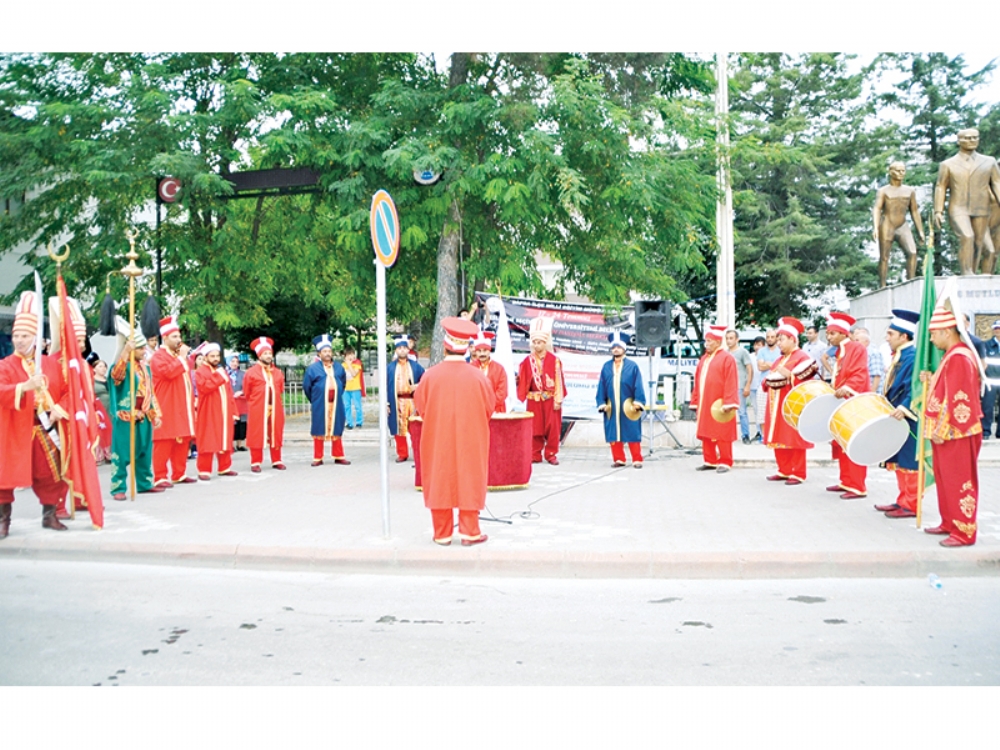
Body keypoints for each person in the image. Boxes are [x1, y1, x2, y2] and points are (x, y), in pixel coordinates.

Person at [414, 317, 494, 546]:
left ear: (445, 346)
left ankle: (442, 533)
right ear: (467, 349)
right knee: (470, 477)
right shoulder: (479, 377)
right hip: (471, 438)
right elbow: (490, 408)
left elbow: (421, 407)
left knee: (440, 477)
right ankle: (470, 532)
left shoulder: (429, 376)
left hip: (437, 438)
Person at [0, 291, 71, 537]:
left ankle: (49, 515)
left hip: (44, 427)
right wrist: (25, 387)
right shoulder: (6, 365)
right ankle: (3, 521)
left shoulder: (50, 364)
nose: (19, 340)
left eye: (25, 336)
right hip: (14, 428)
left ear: (36, 337)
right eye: (16, 336)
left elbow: (68, 391)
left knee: (50, 474)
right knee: (4, 476)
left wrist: (59, 409)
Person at [921, 306, 984, 546]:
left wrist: (942, 428)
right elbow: (946, 386)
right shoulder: (954, 354)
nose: (931, 339)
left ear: (947, 332)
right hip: (948, 431)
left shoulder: (959, 356)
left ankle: (964, 531)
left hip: (956, 431)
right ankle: (949, 522)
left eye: (933, 334)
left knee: (959, 480)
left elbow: (958, 397)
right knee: (946, 479)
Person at [873, 310, 921, 518]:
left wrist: (905, 407)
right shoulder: (901, 356)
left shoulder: (914, 357)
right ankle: (902, 499)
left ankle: (911, 504)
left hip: (908, 416)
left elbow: (917, 386)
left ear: (904, 336)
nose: (887, 338)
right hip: (895, 414)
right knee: (900, 461)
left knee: (909, 461)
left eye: (891, 334)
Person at [933, 128, 1000, 274]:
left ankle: (973, 276)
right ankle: (967, 273)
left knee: (978, 243)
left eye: (975, 137)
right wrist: (938, 211)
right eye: (968, 138)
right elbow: (941, 186)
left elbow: (996, 183)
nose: (972, 140)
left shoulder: (989, 162)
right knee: (967, 236)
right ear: (959, 141)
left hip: (981, 208)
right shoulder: (948, 164)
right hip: (958, 208)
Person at [108, 319, 162, 501]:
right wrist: (125, 351)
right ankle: (118, 487)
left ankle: (145, 483)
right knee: (122, 453)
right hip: (126, 415)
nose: (143, 351)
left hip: (144, 413)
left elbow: (150, 391)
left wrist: (155, 413)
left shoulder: (145, 368)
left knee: (144, 451)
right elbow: (116, 376)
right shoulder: (123, 365)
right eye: (139, 348)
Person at [762, 317, 818, 484]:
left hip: (792, 404)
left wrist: (789, 375)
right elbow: (768, 377)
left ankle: (798, 472)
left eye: (782, 339)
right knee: (780, 437)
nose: (779, 343)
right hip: (775, 404)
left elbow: (807, 380)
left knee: (794, 438)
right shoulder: (779, 359)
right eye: (778, 339)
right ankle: (784, 470)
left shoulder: (802, 357)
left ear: (793, 340)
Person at [825, 311, 870, 499]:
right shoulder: (840, 351)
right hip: (842, 401)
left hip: (853, 401)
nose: (828, 337)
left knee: (853, 442)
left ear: (844, 333)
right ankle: (846, 480)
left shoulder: (856, 348)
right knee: (842, 442)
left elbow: (860, 374)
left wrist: (848, 387)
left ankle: (858, 485)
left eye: (832, 333)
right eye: (828, 333)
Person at [149, 315, 197, 488]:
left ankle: (179, 472)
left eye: (179, 336)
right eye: (175, 337)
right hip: (166, 404)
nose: (179, 340)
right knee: (164, 440)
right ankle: (160, 476)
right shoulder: (158, 357)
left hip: (182, 404)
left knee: (182, 439)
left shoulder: (178, 356)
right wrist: (182, 359)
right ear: (165, 338)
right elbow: (168, 373)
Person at [689, 325, 739, 473]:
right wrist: (695, 400)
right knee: (706, 432)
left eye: (710, 341)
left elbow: (731, 381)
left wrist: (729, 401)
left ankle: (725, 461)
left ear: (718, 342)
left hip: (719, 403)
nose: (707, 344)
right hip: (705, 401)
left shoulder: (727, 358)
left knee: (722, 432)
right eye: (706, 341)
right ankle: (710, 460)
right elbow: (697, 381)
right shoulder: (704, 358)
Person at [516, 319, 566, 465]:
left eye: (540, 342)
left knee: (553, 428)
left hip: (550, 399)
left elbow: (558, 380)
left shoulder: (554, 360)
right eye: (535, 342)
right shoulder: (527, 361)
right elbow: (523, 379)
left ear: (545, 343)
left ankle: (551, 454)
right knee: (535, 428)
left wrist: (558, 399)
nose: (537, 345)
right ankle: (535, 454)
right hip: (534, 399)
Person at [596, 331, 646, 468]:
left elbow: (638, 385)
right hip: (612, 406)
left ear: (624, 348)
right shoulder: (606, 366)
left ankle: (637, 459)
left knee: (632, 431)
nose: (616, 349)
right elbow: (601, 385)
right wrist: (601, 402)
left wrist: (638, 401)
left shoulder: (632, 366)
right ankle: (619, 459)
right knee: (614, 432)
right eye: (613, 347)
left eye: (618, 347)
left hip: (628, 405)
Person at [873, 161, 926, 286]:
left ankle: (911, 282)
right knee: (885, 257)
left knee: (912, 252)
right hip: (887, 224)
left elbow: (914, 210)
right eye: (898, 170)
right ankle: (882, 285)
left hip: (902, 225)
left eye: (903, 170)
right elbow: (877, 208)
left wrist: (920, 230)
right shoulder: (883, 191)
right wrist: (875, 227)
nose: (901, 173)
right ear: (890, 172)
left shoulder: (909, 191)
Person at [303, 334, 351, 467]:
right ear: (319, 353)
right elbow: (307, 387)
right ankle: (318, 457)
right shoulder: (312, 369)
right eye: (324, 351)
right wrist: (316, 398)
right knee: (319, 428)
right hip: (320, 403)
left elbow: (343, 382)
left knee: (337, 427)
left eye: (329, 351)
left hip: (336, 403)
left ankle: (339, 455)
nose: (327, 354)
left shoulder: (339, 367)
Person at [193, 343, 239, 480]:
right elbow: (204, 388)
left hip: (224, 411)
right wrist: (218, 377)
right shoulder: (201, 371)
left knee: (225, 438)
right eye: (212, 356)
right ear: (205, 357)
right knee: (207, 439)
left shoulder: (221, 370)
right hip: (208, 411)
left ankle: (225, 467)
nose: (215, 359)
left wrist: (234, 410)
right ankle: (204, 470)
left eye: (217, 356)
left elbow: (229, 392)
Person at [243, 337, 286, 473]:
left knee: (276, 433)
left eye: (269, 353)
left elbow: (281, 388)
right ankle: (255, 461)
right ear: (259, 355)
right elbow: (247, 391)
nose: (268, 356)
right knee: (256, 434)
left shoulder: (278, 372)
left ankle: (277, 460)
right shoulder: (251, 372)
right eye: (265, 353)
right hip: (258, 408)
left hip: (275, 408)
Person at [386, 335, 424, 463]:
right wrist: (386, 403)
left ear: (408, 350)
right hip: (397, 401)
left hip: (412, 401)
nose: (402, 350)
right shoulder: (390, 368)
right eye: (399, 348)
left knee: (415, 429)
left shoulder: (416, 366)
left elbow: (425, 381)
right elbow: (385, 386)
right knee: (398, 429)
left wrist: (417, 386)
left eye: (404, 348)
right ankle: (402, 453)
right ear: (396, 350)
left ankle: (418, 453)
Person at [725, 328, 754, 444]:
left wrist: (747, 385)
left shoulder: (742, 352)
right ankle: (728, 435)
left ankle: (745, 435)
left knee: (742, 412)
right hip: (728, 387)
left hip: (740, 385)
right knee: (727, 411)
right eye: (727, 338)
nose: (728, 341)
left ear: (737, 339)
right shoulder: (725, 353)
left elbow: (749, 369)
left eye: (731, 338)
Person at [469, 331, 508, 413]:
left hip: (495, 410)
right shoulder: (470, 368)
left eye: (485, 350)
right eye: (479, 351)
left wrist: (488, 406)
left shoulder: (499, 369)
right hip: (475, 410)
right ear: (475, 352)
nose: (482, 354)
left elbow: (502, 393)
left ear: (489, 351)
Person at [851, 326, 884, 394]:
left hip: (871, 393)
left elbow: (877, 376)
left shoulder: (873, 353)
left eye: (857, 340)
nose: (855, 343)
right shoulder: (860, 352)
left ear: (866, 341)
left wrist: (871, 394)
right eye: (854, 341)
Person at [983, 320, 1000, 438]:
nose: (998, 330)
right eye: (996, 328)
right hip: (990, 382)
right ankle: (986, 432)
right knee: (987, 407)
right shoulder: (986, 345)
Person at [227, 355, 248, 452]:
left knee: (241, 422)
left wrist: (242, 391)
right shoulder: (224, 373)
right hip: (229, 401)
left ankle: (240, 444)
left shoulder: (243, 374)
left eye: (236, 362)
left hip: (240, 401)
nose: (235, 363)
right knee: (230, 422)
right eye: (232, 361)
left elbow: (248, 386)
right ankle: (229, 444)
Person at [343, 347, 366, 429]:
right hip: (345, 389)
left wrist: (349, 364)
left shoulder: (357, 363)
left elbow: (354, 374)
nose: (351, 356)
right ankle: (349, 423)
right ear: (345, 356)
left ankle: (359, 422)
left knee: (357, 406)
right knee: (346, 406)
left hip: (355, 388)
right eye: (349, 355)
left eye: (352, 354)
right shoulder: (343, 365)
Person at [749, 336, 766, 442]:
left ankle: (764, 432)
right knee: (756, 410)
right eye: (756, 345)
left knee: (763, 410)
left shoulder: (765, 355)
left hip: (763, 386)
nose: (757, 347)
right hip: (752, 386)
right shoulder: (750, 356)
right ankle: (759, 432)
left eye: (759, 345)